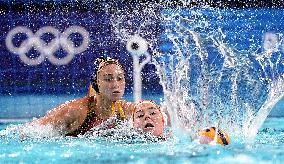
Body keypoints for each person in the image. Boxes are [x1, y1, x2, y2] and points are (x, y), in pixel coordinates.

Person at [27, 57, 133, 136]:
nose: (115, 84)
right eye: (108, 79)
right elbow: (30, 132)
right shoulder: (76, 110)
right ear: (96, 84)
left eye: (120, 78)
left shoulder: (127, 111)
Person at [131, 100, 230, 145]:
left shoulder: (178, 139)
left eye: (152, 113)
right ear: (134, 124)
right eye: (140, 115)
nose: (147, 116)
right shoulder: (127, 141)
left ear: (163, 120)